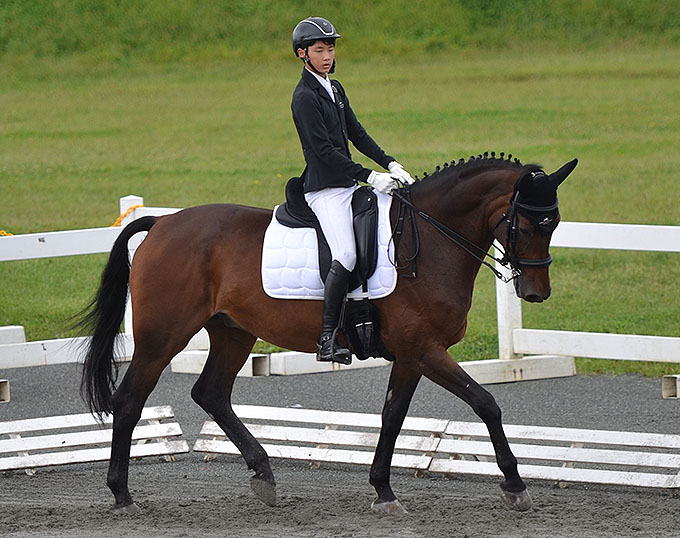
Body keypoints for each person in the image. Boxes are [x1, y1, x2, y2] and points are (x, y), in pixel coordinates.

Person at [290, 16, 414, 364]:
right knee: (345, 254)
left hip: (347, 184)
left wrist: (390, 163)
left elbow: (356, 134)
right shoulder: (303, 97)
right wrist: (369, 177)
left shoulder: (336, 87)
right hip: (325, 190)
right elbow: (324, 154)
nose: (327, 54)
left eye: (330, 47)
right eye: (319, 49)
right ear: (303, 54)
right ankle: (328, 337)